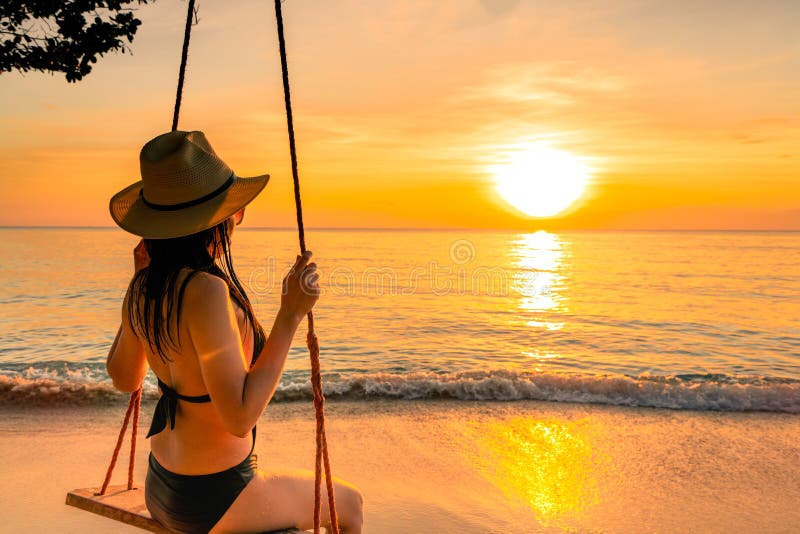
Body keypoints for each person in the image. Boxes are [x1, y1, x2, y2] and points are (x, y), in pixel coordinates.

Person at [105, 130, 364, 533]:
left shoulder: (143, 285)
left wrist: (137, 287)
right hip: (214, 500)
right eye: (233, 211)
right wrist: (289, 315)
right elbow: (239, 417)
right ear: (217, 219)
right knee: (349, 504)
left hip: (160, 486)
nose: (235, 221)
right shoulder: (205, 290)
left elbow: (125, 379)